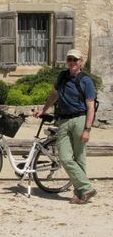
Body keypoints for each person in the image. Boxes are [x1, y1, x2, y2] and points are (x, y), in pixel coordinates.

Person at [33, 49, 97, 204]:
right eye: (70, 59)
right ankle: (87, 187)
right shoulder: (62, 77)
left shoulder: (86, 81)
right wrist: (43, 109)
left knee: (79, 157)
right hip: (63, 120)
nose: (72, 62)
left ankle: (80, 193)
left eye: (75, 60)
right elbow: (54, 95)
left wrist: (87, 129)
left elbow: (91, 107)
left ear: (81, 62)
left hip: (80, 120)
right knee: (64, 157)